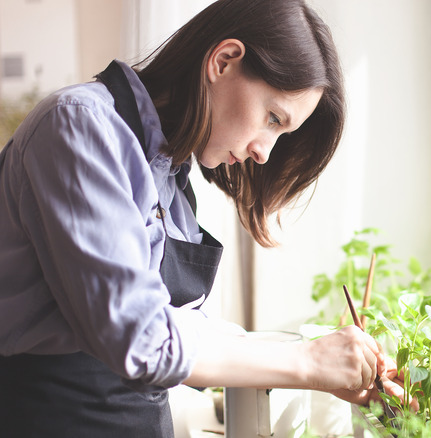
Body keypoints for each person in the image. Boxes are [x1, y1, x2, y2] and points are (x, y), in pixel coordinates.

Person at [0, 0, 408, 436]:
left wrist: (328, 360)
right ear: (224, 60)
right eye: (272, 118)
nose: (264, 152)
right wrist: (307, 362)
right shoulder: (79, 127)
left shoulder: (170, 173)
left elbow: (185, 330)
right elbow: (143, 339)